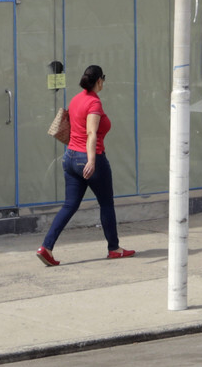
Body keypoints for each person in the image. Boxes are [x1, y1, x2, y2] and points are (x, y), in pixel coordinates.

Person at [37, 65, 134, 265]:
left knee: (69, 205)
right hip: (90, 158)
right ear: (99, 80)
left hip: (70, 157)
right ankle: (114, 249)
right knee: (106, 203)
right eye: (103, 79)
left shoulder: (76, 99)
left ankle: (46, 248)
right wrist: (91, 160)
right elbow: (91, 133)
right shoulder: (94, 104)